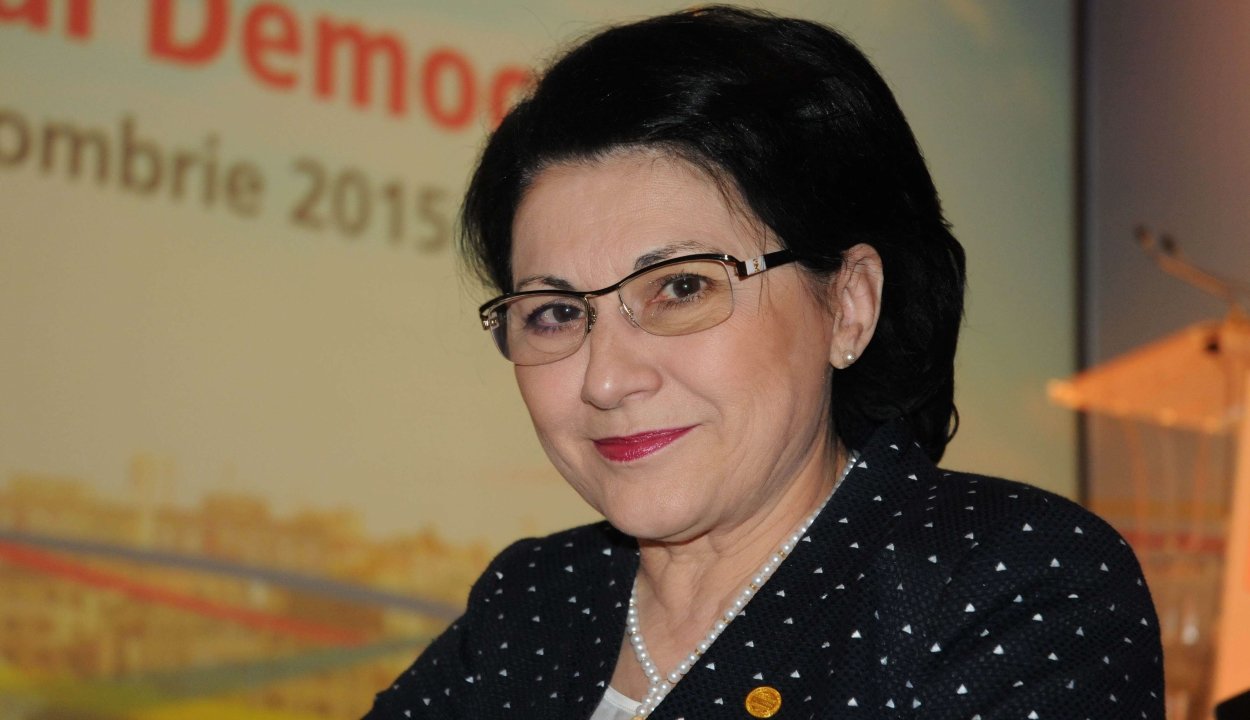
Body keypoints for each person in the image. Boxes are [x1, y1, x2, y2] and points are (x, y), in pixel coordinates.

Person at [365, 6, 1164, 719]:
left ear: (848, 305)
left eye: (681, 288)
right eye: (556, 313)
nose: (605, 380)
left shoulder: (1005, 580)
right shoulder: (536, 604)